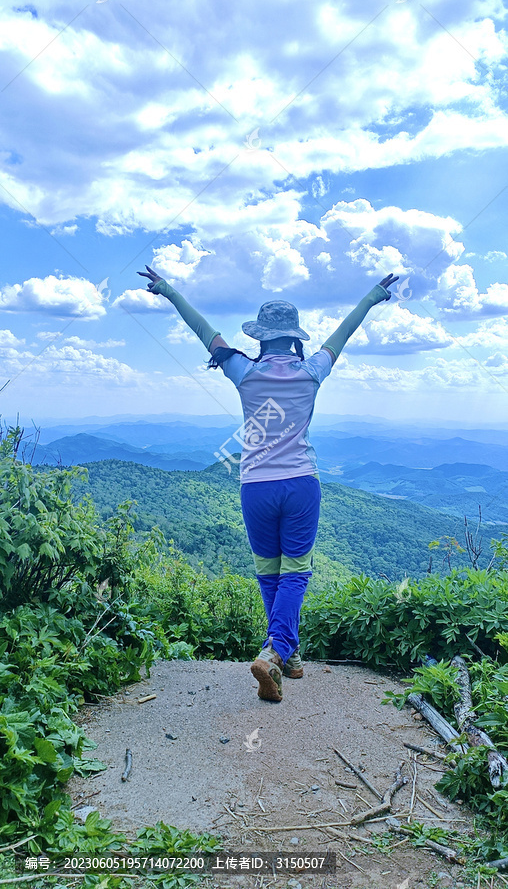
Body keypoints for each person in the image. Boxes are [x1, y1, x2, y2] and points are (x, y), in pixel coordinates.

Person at [138, 264, 398, 702]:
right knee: (296, 574)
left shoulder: (243, 370)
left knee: (269, 575)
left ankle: (287, 657)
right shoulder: (312, 370)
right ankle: (275, 650)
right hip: (301, 484)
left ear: (260, 338)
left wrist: (167, 290)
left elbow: (205, 330)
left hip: (255, 485)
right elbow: (343, 333)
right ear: (295, 337)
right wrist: (373, 296)